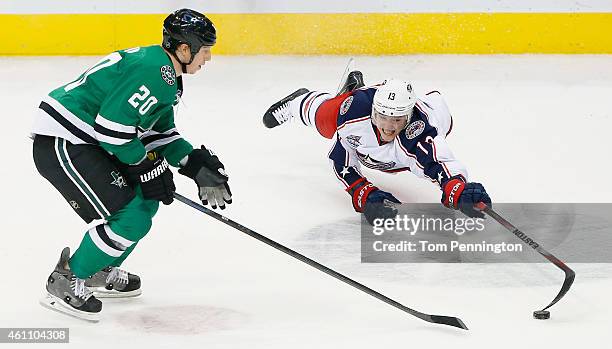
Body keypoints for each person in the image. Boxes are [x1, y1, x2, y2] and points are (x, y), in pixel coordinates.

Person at [32, 9, 232, 321]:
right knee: (131, 217)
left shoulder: (165, 74)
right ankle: (66, 280)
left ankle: (98, 268)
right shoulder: (156, 72)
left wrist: (193, 163)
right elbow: (111, 129)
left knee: (144, 206)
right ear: (184, 49)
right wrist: (145, 165)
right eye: (204, 51)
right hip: (65, 141)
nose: (208, 59)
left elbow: (158, 134)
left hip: (87, 140)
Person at [262, 71, 491, 225]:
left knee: (433, 131)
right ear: (374, 111)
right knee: (325, 119)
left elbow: (440, 163)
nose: (389, 127)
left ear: (409, 116)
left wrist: (459, 189)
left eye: (397, 120)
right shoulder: (354, 115)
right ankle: (299, 101)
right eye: (383, 117)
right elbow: (341, 161)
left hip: (432, 113)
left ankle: (354, 88)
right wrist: (363, 192)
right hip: (360, 104)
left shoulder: (418, 130)